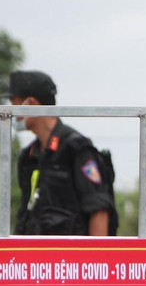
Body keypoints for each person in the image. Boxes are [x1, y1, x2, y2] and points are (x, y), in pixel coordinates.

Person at [7, 70, 114, 236]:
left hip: (71, 258)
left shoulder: (76, 148)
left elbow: (98, 208)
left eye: (14, 102)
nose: (10, 111)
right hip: (36, 257)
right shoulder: (29, 156)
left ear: (32, 103)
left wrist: (96, 258)